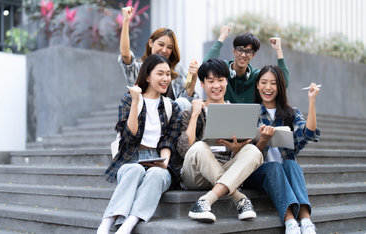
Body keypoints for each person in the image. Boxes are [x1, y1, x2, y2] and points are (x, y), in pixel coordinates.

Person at [97, 54, 182, 234]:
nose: (166, 78)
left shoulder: (171, 107)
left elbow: (169, 141)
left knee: (157, 174)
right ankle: (105, 224)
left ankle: (128, 225)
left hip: (159, 159)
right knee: (135, 170)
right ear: (147, 76)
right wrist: (136, 102)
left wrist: (164, 162)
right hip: (131, 158)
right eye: (160, 74)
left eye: (168, 74)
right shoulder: (128, 100)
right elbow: (129, 137)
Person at [172, 58, 263, 223]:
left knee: (254, 151)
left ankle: (206, 201)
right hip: (196, 175)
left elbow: (242, 155)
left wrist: (237, 149)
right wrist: (194, 115)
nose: (216, 86)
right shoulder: (191, 111)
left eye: (220, 80)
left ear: (226, 82)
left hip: (225, 169)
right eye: (211, 81)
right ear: (202, 84)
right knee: (200, 146)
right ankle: (239, 198)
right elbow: (185, 150)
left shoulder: (235, 112)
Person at [243, 65, 320, 234]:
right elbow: (244, 156)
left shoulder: (290, 113)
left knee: (291, 164)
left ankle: (306, 222)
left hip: (284, 170)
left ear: (280, 87)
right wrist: (263, 140)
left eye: (273, 83)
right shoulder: (249, 113)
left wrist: (312, 101)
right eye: (264, 82)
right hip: (256, 173)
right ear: (257, 85)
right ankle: (290, 222)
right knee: (274, 167)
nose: (268, 87)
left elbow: (307, 134)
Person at [118, 6, 199, 111]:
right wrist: (126, 21)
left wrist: (192, 80)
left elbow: (185, 104)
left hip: (173, 124)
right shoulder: (139, 69)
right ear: (151, 43)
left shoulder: (177, 72)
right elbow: (125, 55)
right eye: (161, 44)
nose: (164, 50)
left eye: (169, 47)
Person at [203, 26, 290, 103]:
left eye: (248, 51)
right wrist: (222, 37)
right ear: (234, 51)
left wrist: (279, 50)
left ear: (253, 55)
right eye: (240, 50)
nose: (243, 55)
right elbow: (206, 67)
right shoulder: (223, 69)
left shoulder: (257, 76)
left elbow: (283, 83)